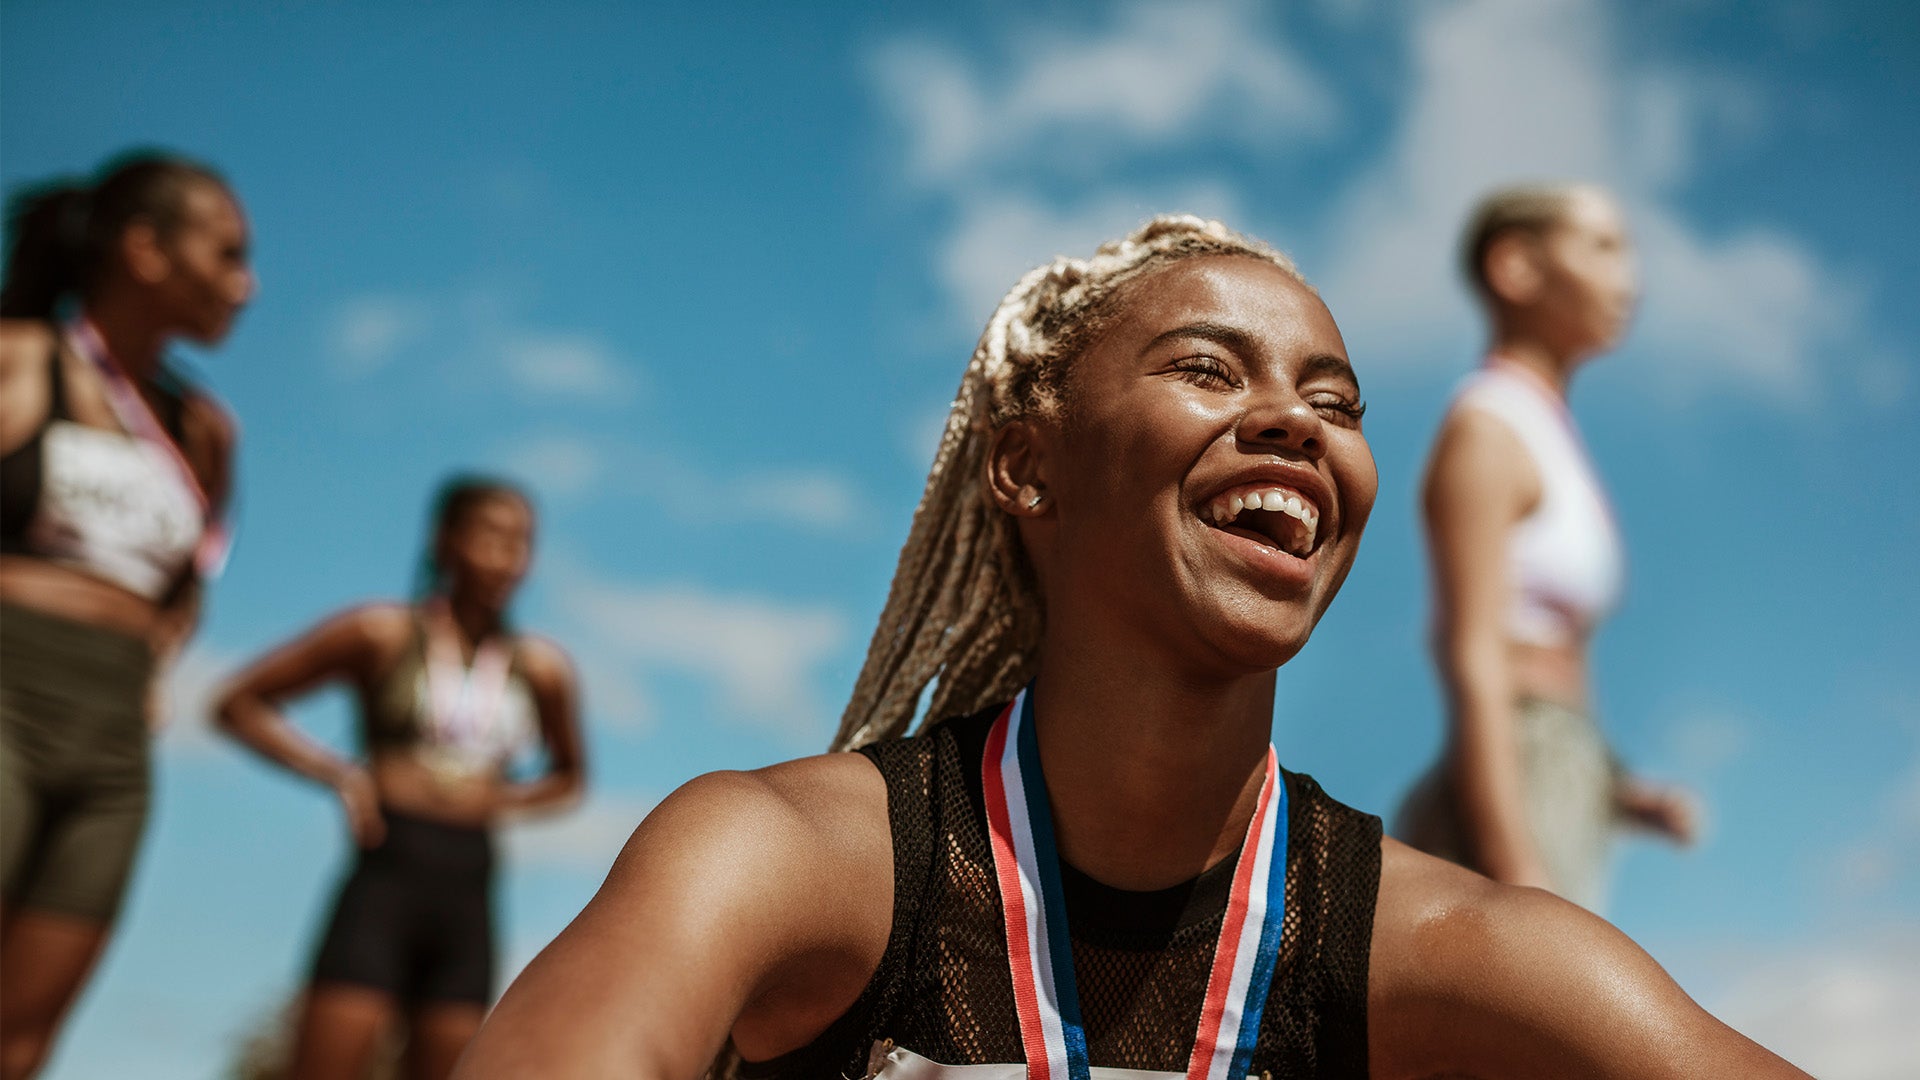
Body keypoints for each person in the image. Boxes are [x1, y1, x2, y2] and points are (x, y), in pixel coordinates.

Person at [454, 217, 1803, 1079]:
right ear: (1028, 468)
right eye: (1210, 370)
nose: (1294, 421)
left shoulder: (1425, 942)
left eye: (1333, 398)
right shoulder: (792, 859)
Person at [0, 151, 250, 1079]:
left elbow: (189, 581)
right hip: (6, 697)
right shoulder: (20, 361)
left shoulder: (205, 430)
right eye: (227, 254)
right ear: (145, 249)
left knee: (23, 1038)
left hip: (112, 748)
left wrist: (155, 663)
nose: (247, 283)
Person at [215, 477, 586, 1080]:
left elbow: (569, 777)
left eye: (521, 542)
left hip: (469, 887)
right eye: (490, 535)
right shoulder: (380, 633)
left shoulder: (541, 668)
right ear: (445, 541)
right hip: (385, 876)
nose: (506, 556)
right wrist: (339, 775)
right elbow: (240, 703)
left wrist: (500, 799)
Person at [1394, 184, 1696, 911]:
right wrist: (1514, 864)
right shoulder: (1488, 427)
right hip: (1517, 766)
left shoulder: (1546, 430)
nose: (1631, 276)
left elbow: (1557, 641)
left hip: (1564, 764)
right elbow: (1472, 649)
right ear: (1516, 266)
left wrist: (1613, 787)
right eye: (1601, 247)